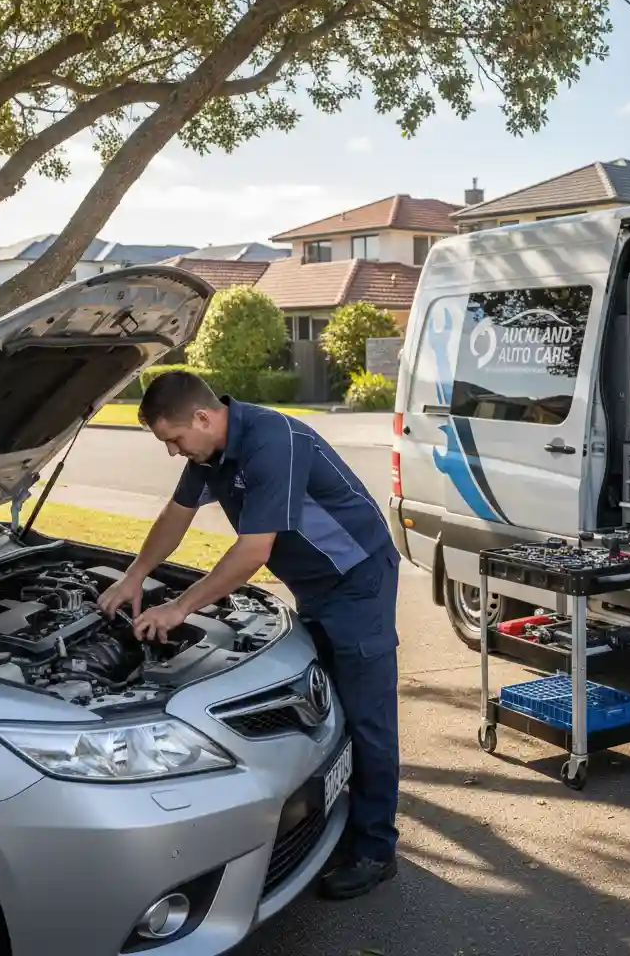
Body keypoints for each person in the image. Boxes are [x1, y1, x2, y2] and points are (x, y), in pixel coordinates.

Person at [96, 370, 400, 900]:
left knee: (369, 712)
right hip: (314, 583)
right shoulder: (208, 454)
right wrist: (135, 575)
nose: (172, 452)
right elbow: (176, 514)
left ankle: (376, 849)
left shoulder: (273, 442)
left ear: (204, 417)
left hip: (357, 580)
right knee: (332, 708)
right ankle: (343, 814)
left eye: (174, 439)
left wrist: (180, 606)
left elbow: (254, 552)